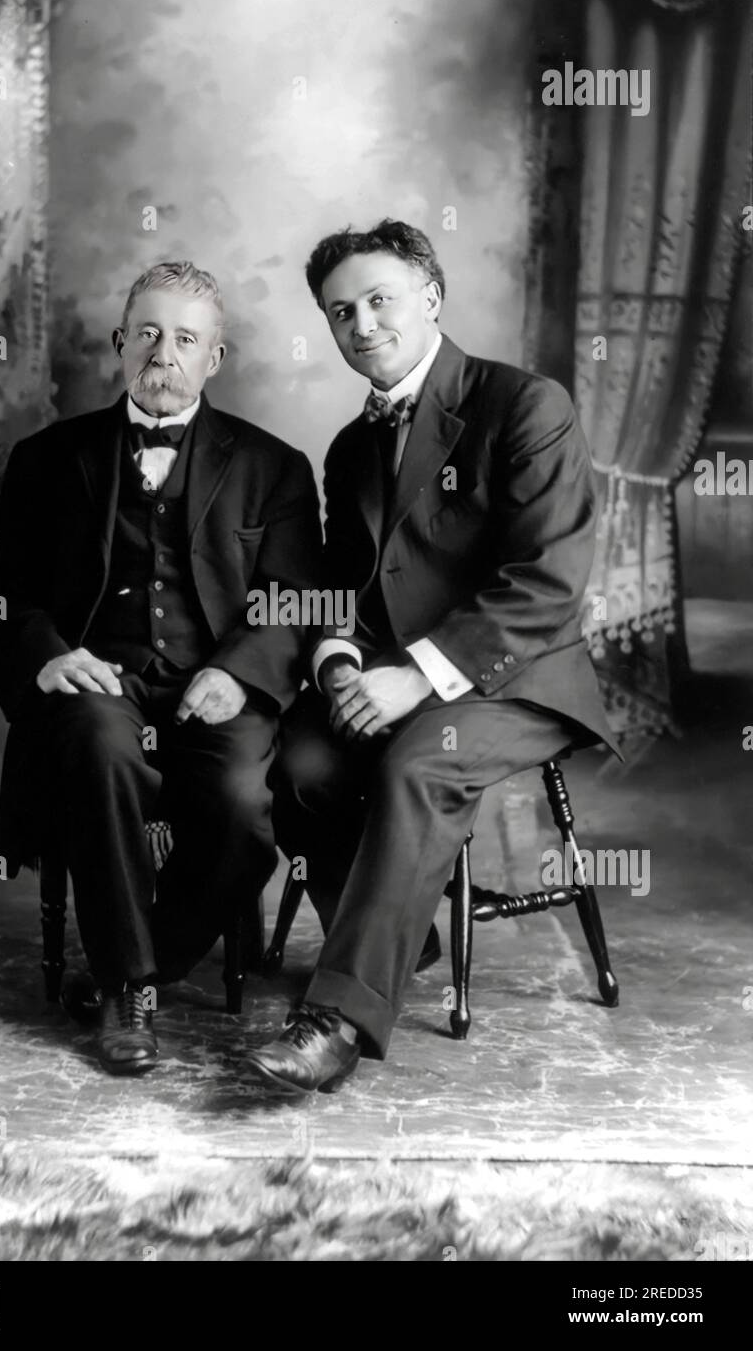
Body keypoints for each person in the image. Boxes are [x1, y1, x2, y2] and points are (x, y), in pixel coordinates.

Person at [246, 220, 617, 1095]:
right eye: (342, 313)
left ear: (432, 299)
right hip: (392, 672)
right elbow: (342, 587)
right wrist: (339, 667)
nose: (362, 325)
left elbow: (548, 581)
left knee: (417, 762)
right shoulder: (350, 447)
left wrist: (417, 675)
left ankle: (335, 1021)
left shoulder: (527, 405)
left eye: (381, 300)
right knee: (296, 756)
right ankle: (397, 944)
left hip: (518, 676)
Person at [0, 261, 321, 1076]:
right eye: (148, 334)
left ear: (216, 357)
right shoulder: (48, 458)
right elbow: (5, 596)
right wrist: (50, 655)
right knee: (98, 748)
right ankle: (129, 991)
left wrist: (240, 671)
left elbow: (293, 600)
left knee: (244, 808)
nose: (163, 353)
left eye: (186, 339)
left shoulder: (274, 467)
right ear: (119, 345)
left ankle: (145, 955)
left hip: (216, 682)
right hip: (103, 680)